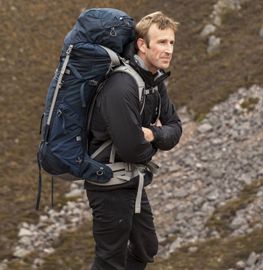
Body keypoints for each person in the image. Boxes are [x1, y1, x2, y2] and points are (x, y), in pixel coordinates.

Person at [86, 11, 182, 270]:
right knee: (110, 261)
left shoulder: (155, 82)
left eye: (171, 42)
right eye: (161, 42)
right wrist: (156, 138)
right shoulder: (121, 86)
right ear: (142, 44)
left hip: (133, 181)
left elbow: (175, 128)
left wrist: (152, 134)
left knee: (145, 247)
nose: (168, 49)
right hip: (109, 184)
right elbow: (132, 148)